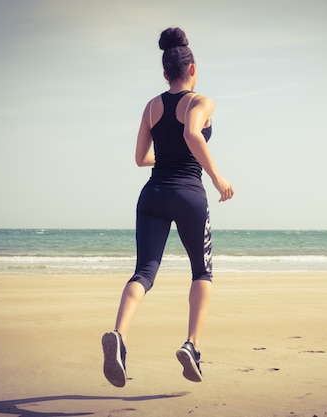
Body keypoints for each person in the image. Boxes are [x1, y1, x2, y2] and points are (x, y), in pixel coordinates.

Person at [102, 27, 234, 387]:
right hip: (189, 193)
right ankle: (192, 346)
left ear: (165, 74)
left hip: (153, 194)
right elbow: (192, 133)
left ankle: (119, 335)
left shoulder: (151, 106)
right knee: (201, 272)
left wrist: (169, 156)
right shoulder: (201, 102)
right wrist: (217, 177)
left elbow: (140, 158)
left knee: (144, 271)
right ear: (192, 68)